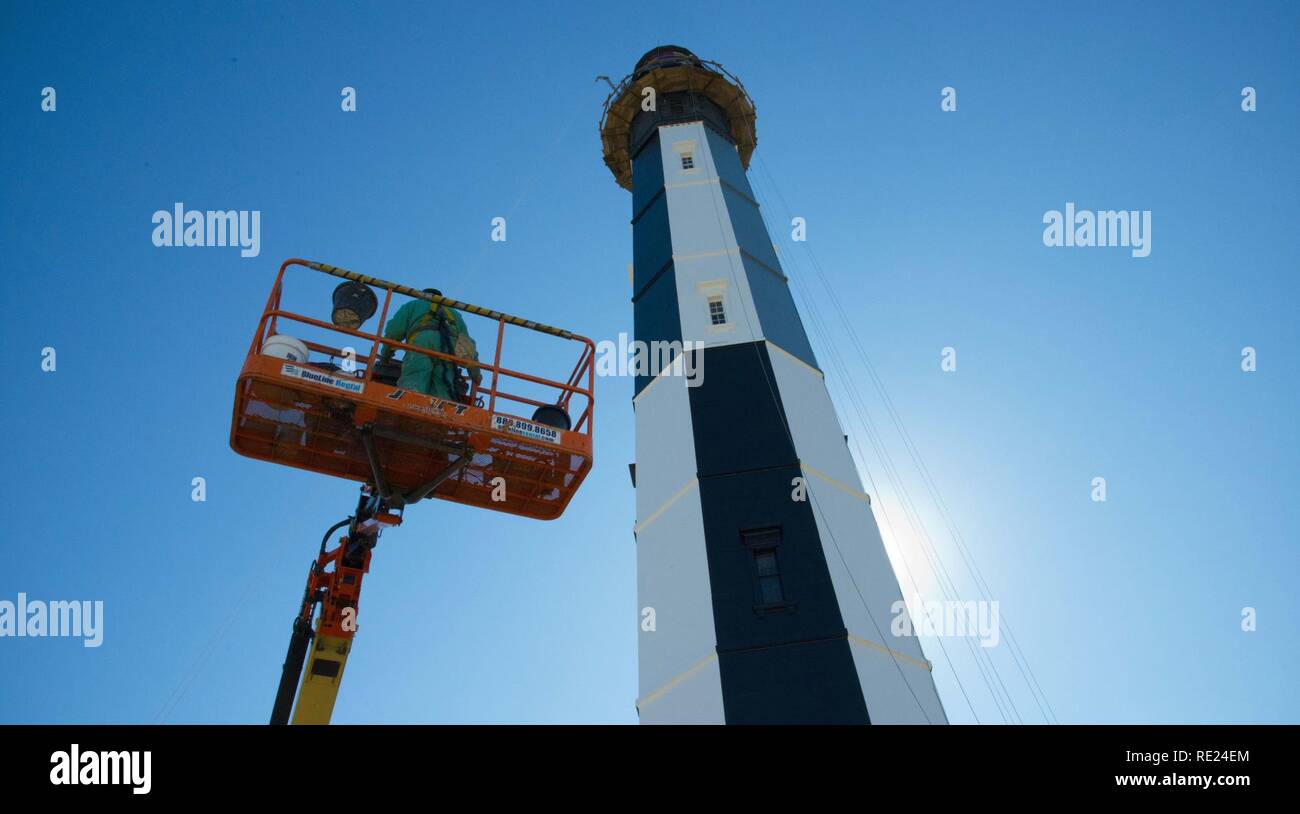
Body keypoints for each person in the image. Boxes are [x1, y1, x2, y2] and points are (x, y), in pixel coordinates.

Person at [380, 289, 481, 399]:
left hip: (421, 344)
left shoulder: (413, 305)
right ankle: (441, 412)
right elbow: (467, 345)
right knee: (444, 388)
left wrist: (385, 356)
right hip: (448, 351)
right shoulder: (454, 314)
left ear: (422, 296)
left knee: (414, 380)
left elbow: (394, 332)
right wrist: (475, 374)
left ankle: (409, 403)